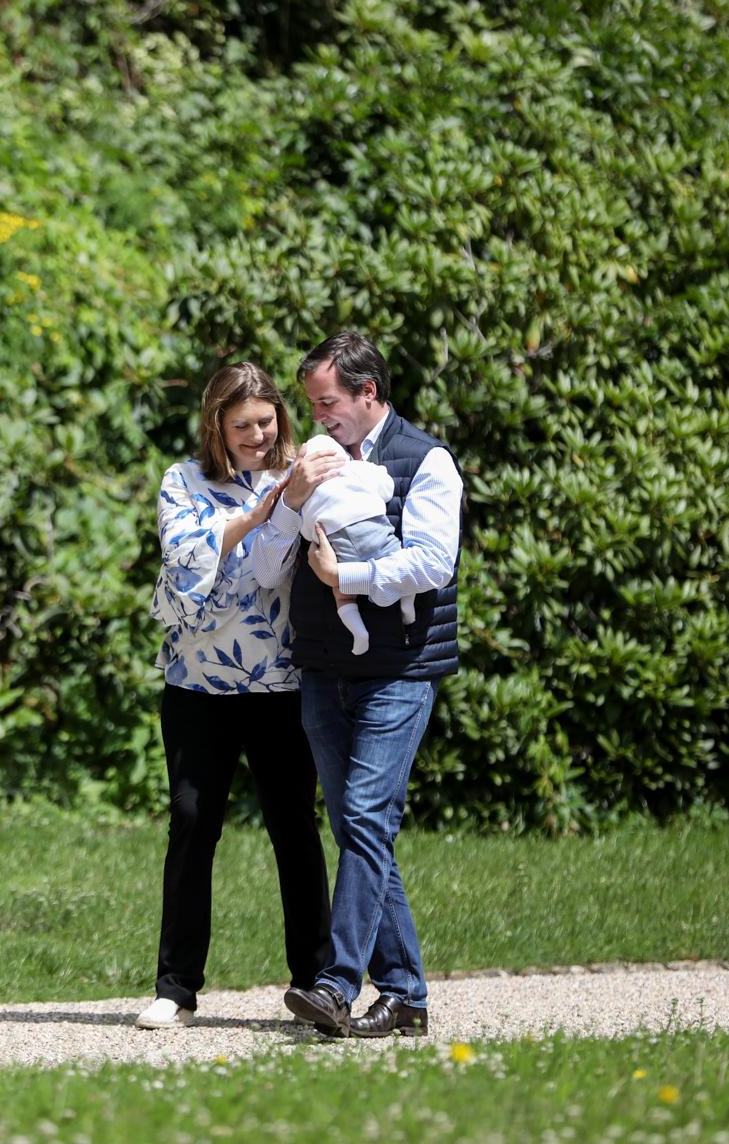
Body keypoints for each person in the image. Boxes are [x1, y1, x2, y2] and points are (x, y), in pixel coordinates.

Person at [272, 330, 463, 1039]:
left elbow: (429, 565)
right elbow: (276, 553)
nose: (318, 415)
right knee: (359, 826)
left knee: (366, 818)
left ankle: (334, 983)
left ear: (367, 394)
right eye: (313, 403)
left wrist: (345, 578)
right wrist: (291, 496)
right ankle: (407, 995)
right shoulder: (315, 464)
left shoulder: (427, 462)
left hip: (399, 671)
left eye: (328, 402)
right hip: (325, 669)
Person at [137, 361, 334, 1030]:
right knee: (193, 827)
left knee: (295, 831)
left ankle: (315, 985)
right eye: (242, 424)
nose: (257, 434)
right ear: (216, 426)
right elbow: (181, 554)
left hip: (282, 685)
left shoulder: (297, 472)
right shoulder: (182, 481)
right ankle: (176, 989)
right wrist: (250, 519)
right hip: (199, 686)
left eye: (266, 421)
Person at [291, 433, 415, 655]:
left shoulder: (307, 496)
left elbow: (307, 530)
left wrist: (315, 537)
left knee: (342, 593)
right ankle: (407, 602)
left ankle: (359, 633)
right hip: (373, 530)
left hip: (340, 546)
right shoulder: (352, 469)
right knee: (401, 562)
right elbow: (385, 486)